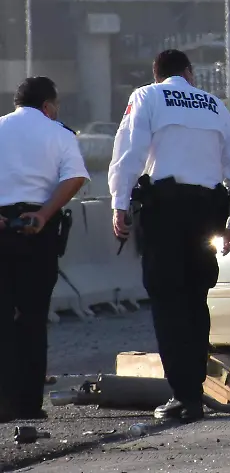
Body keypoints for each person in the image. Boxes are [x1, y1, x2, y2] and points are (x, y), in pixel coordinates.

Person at [109, 50, 230, 423]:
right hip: (207, 215)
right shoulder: (215, 104)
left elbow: (130, 154)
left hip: (165, 214)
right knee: (195, 300)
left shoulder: (147, 97)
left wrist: (119, 203)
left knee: (168, 302)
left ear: (156, 74)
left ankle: (183, 394)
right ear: (189, 73)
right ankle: (194, 389)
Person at [0, 78, 89, 423]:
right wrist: (42, 214)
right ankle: (28, 404)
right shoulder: (60, 134)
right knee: (34, 319)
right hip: (38, 232)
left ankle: (2, 402)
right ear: (48, 106)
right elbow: (74, 178)